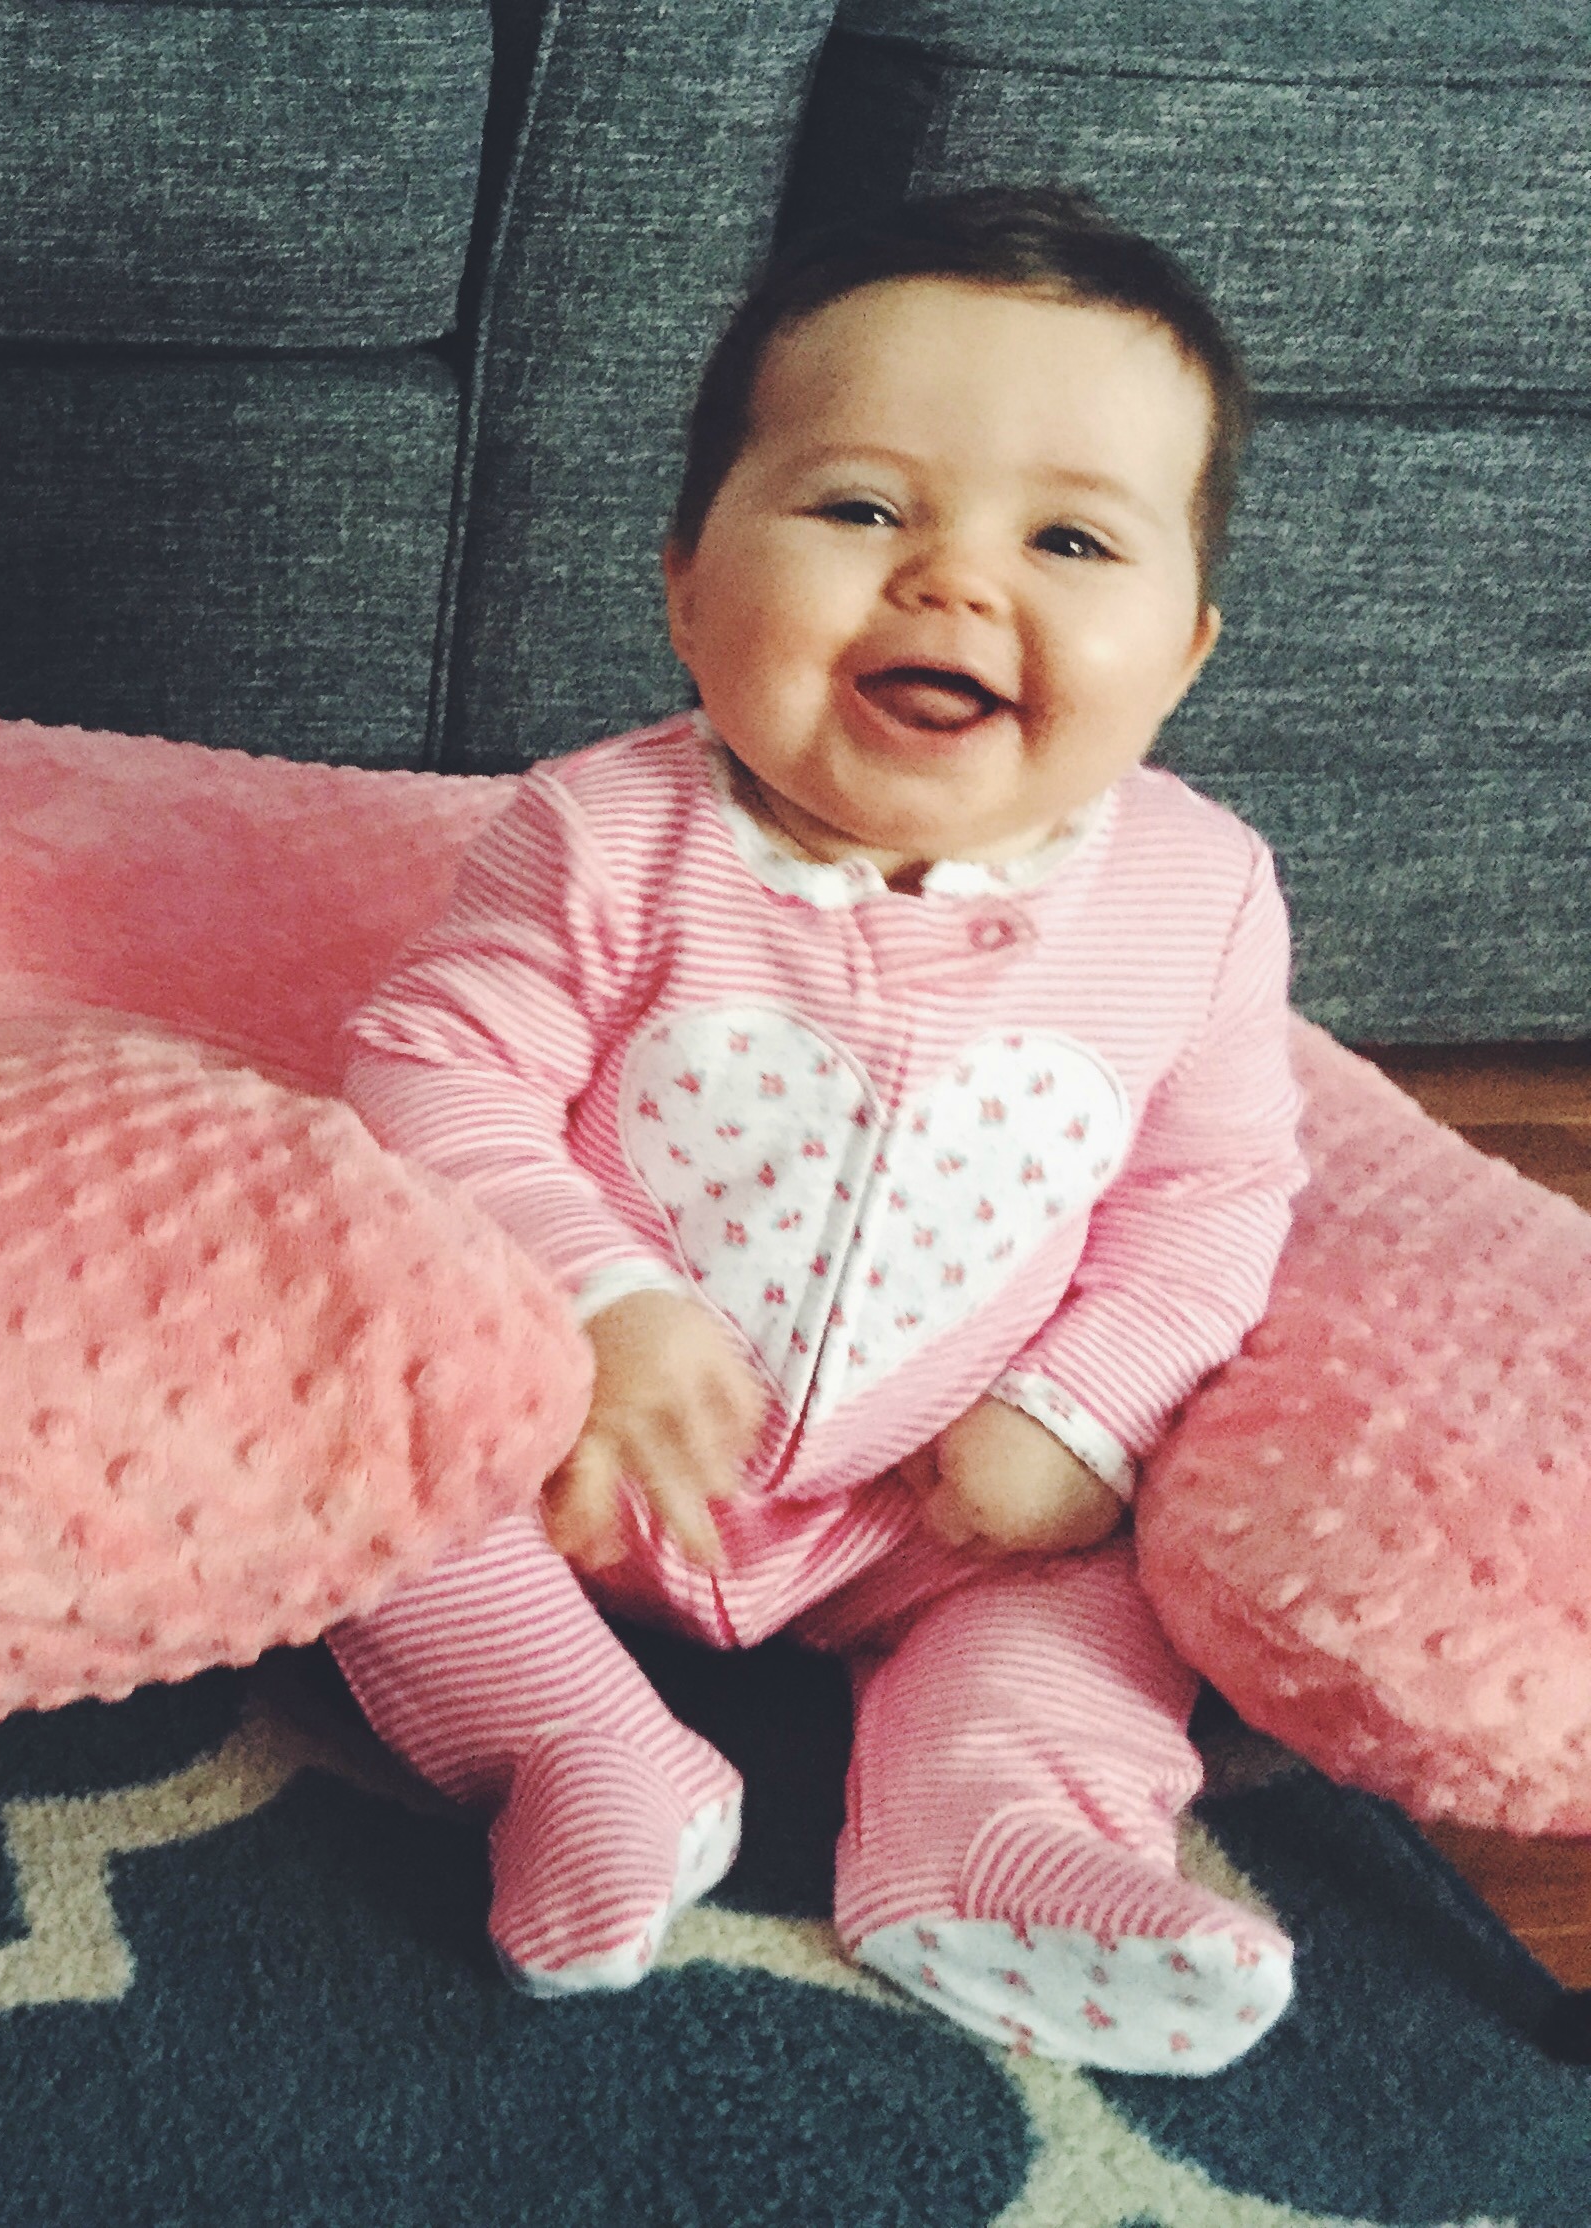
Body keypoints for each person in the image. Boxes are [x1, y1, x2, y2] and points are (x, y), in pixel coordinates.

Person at [335, 187, 1303, 2073]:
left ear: (1183, 651)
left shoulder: (1199, 898)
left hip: (933, 1505)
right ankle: (573, 1745)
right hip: (584, 1446)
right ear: (688, 583)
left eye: (1071, 537)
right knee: (365, 1449)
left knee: (1101, 1595)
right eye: (860, 508)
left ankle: (1001, 1840)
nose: (954, 583)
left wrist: (1077, 1414)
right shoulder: (603, 835)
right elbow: (430, 1069)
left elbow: (1213, 1199)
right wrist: (598, 1304)